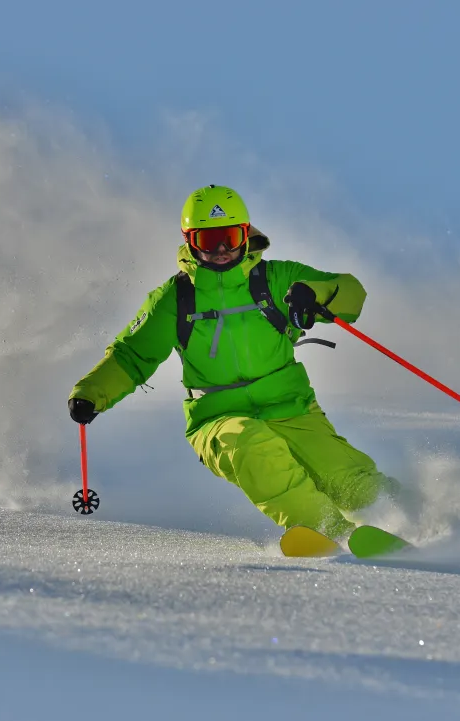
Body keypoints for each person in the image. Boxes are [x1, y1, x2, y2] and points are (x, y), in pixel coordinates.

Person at [68, 185, 399, 540]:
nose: (222, 251)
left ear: (246, 233)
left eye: (229, 237)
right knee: (251, 445)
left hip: (293, 407)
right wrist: (91, 392)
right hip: (217, 418)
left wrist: (312, 294)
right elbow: (133, 354)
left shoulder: (276, 279)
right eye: (209, 241)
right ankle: (330, 532)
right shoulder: (176, 298)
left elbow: (350, 293)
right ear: (190, 242)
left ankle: (415, 523)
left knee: (349, 479)